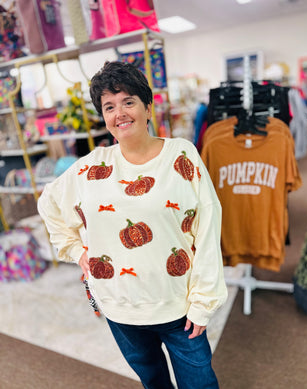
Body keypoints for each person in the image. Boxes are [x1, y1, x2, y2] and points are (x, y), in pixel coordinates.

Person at [37, 61, 228, 389]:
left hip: (178, 307)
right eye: (109, 107)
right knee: (153, 381)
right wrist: (75, 250)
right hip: (119, 307)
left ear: (148, 107)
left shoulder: (181, 155)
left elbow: (208, 225)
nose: (119, 113)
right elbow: (49, 202)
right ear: (104, 117)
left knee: (199, 384)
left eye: (128, 102)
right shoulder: (92, 167)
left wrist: (203, 302)